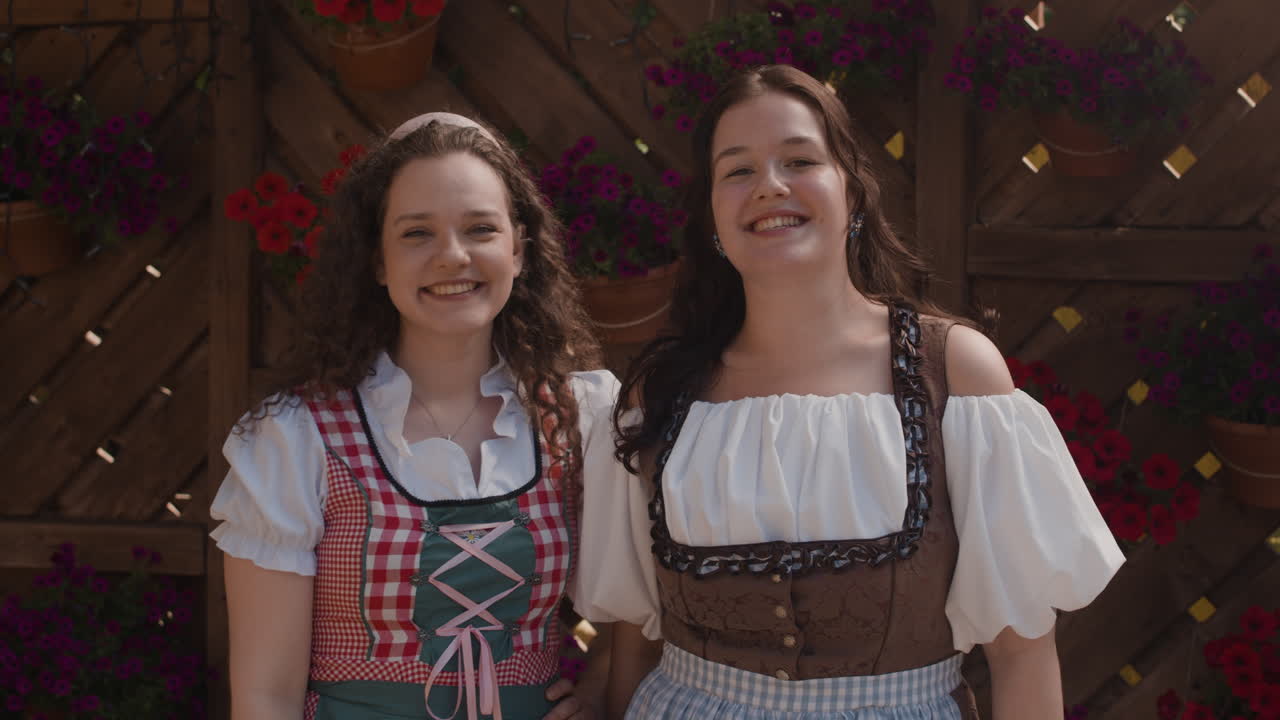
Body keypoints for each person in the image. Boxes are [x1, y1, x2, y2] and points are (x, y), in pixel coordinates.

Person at [569, 65, 1125, 719]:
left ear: (853, 194)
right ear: (712, 217)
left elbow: (1022, 654)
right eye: (738, 170)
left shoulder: (955, 377)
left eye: (799, 159)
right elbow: (633, 642)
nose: (770, 186)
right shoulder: (659, 394)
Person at [211, 112, 613, 720]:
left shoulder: (580, 418)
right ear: (377, 261)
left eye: (480, 228)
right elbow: (266, 697)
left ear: (519, 250)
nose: (453, 256)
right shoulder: (298, 437)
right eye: (416, 233)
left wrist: (599, 687)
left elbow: (641, 608)